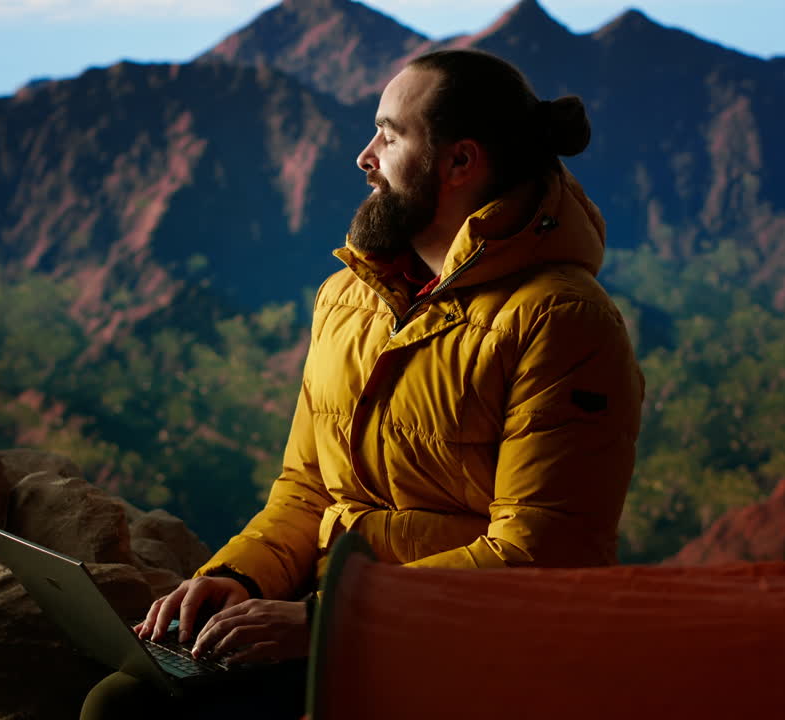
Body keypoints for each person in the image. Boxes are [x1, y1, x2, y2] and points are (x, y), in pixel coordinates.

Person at [81, 47, 645, 719]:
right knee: (124, 700)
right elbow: (308, 488)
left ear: (460, 163)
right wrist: (236, 578)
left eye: (389, 134)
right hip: (328, 619)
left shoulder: (561, 320)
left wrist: (325, 625)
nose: (364, 155)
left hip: (462, 651)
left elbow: (542, 554)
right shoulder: (346, 299)